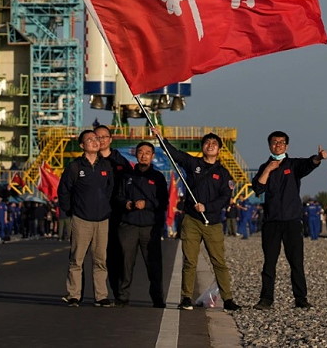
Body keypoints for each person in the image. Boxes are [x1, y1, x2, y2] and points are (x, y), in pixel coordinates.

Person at [154, 128, 240, 312]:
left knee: (219, 262)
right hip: (191, 221)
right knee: (189, 261)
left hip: (212, 222)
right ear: (203, 147)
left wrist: (207, 207)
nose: (210, 146)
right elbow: (173, 154)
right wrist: (161, 138)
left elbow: (225, 197)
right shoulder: (193, 163)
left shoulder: (224, 174)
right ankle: (186, 297)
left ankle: (228, 299)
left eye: (214, 144)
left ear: (219, 149)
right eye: (207, 143)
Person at [251, 131, 327, 310]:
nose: (278, 145)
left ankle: (300, 298)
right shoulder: (264, 166)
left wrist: (318, 157)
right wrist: (269, 169)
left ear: (287, 146)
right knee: (269, 262)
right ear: (269, 145)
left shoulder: (293, 165)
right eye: (274, 142)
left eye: (281, 142)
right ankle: (266, 299)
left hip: (292, 221)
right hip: (271, 222)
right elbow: (258, 188)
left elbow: (309, 164)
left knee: (296, 262)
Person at [58, 128, 114, 307]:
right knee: (77, 259)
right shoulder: (75, 167)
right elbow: (64, 191)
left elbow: (110, 189)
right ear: (82, 145)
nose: (95, 141)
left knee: (101, 260)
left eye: (96, 138)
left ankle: (101, 296)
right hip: (81, 219)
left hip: (102, 219)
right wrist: (70, 210)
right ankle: (74, 294)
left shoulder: (106, 165)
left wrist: (106, 208)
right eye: (90, 139)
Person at [116, 141, 168, 308]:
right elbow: (118, 197)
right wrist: (127, 204)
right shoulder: (127, 176)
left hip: (149, 227)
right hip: (129, 225)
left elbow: (163, 201)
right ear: (135, 154)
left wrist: (147, 204)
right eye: (140, 152)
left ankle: (157, 298)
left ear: (153, 156)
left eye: (147, 152)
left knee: (153, 264)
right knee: (125, 262)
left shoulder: (158, 178)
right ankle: (122, 296)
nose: (144, 155)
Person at [94, 124, 133, 302]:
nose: (101, 140)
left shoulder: (121, 162)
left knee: (119, 253)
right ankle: (89, 294)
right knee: (99, 255)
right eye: (97, 137)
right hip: (94, 214)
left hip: (117, 214)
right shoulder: (88, 162)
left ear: (110, 139)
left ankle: (120, 292)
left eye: (104, 137)